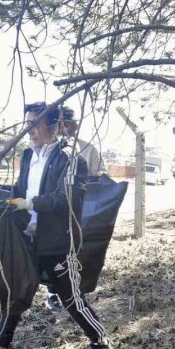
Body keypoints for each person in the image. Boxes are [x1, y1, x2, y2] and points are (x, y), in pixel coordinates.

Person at [0, 101, 113, 349]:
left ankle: (100, 342)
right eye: (27, 124)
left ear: (52, 126)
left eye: (35, 125)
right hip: (27, 238)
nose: (29, 130)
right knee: (16, 290)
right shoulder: (29, 156)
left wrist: (30, 204)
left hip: (57, 242)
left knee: (70, 296)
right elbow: (21, 189)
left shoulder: (69, 158)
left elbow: (68, 198)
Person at [40, 105, 109, 314]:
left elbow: (99, 176)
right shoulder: (46, 151)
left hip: (82, 213)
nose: (67, 128)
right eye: (63, 124)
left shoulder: (87, 150)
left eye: (70, 123)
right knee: (52, 255)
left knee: (79, 253)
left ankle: (76, 291)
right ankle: (53, 294)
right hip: (54, 213)